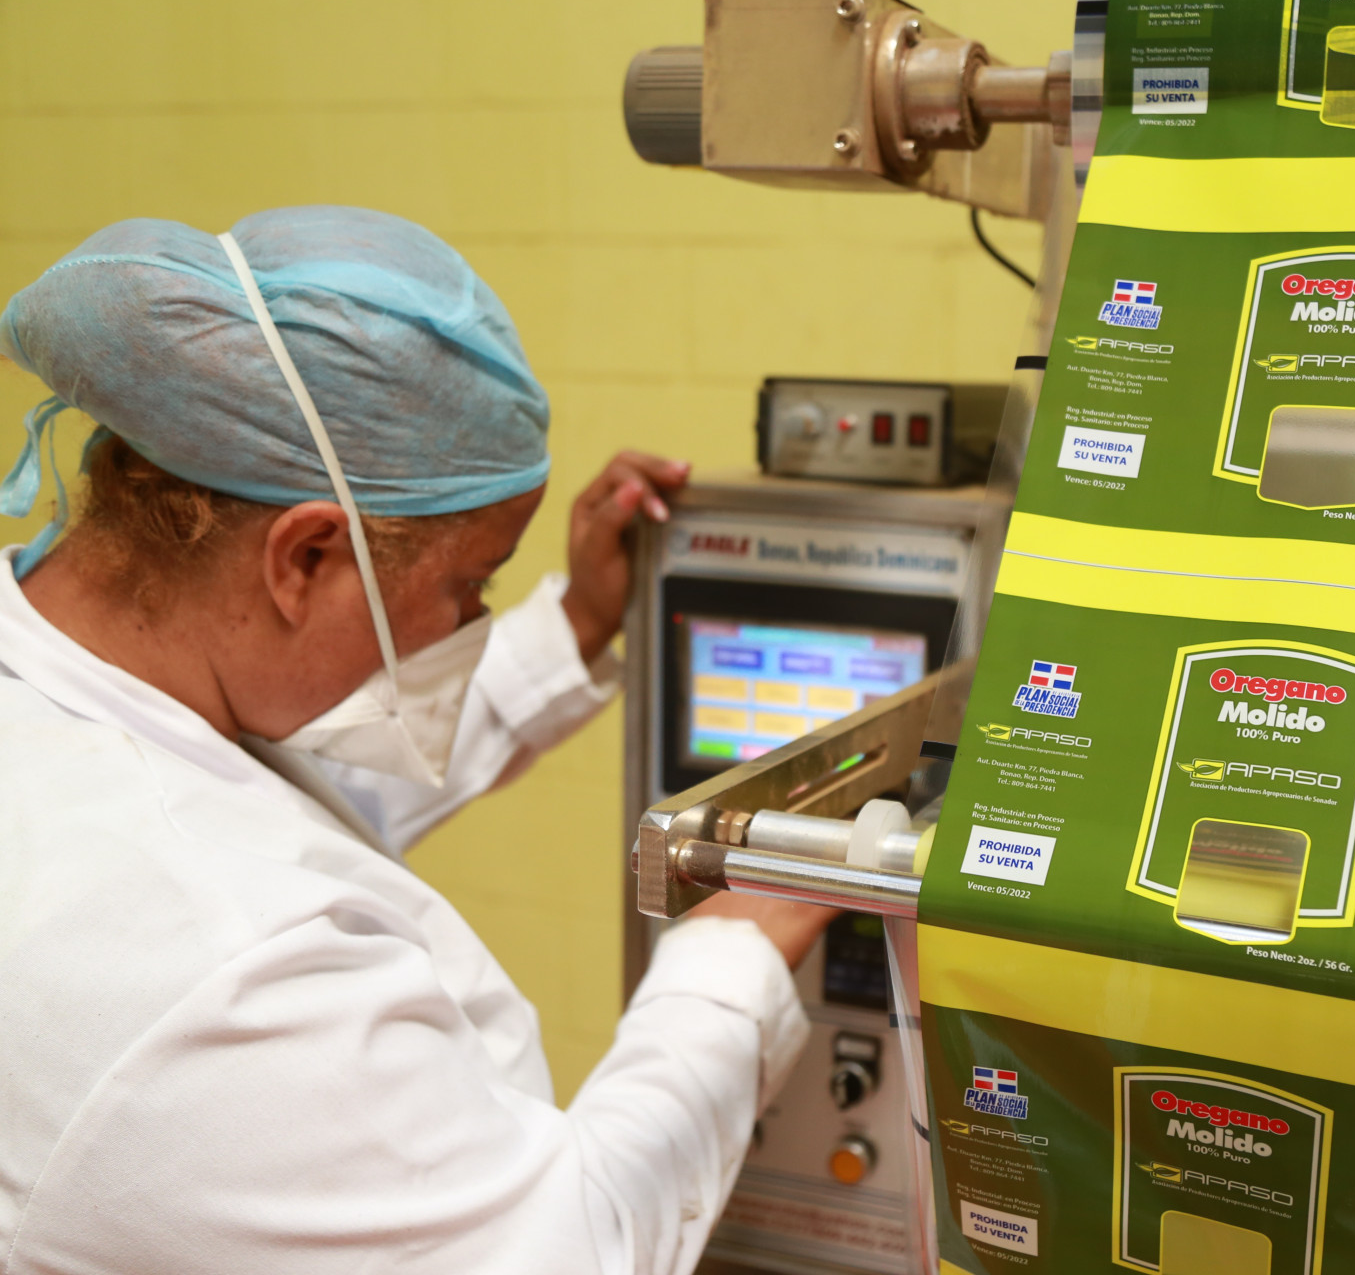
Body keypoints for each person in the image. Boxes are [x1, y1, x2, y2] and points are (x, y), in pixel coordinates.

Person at [0, 206, 834, 1274]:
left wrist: (577, 623)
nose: (469, 624)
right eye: (468, 585)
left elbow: (274, 804)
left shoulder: (87, 689)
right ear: (305, 557)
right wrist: (730, 957)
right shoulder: (220, 973)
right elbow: (561, 1249)